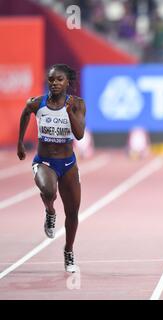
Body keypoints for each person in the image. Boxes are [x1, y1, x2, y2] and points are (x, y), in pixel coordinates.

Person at [17, 64, 86, 272]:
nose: (54, 83)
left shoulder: (77, 104)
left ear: (67, 82)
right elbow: (25, 113)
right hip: (44, 161)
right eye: (51, 79)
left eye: (59, 80)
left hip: (68, 164)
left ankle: (69, 250)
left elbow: (80, 134)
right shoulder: (38, 103)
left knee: (73, 212)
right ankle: (50, 211)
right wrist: (20, 142)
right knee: (49, 191)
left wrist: (69, 112)